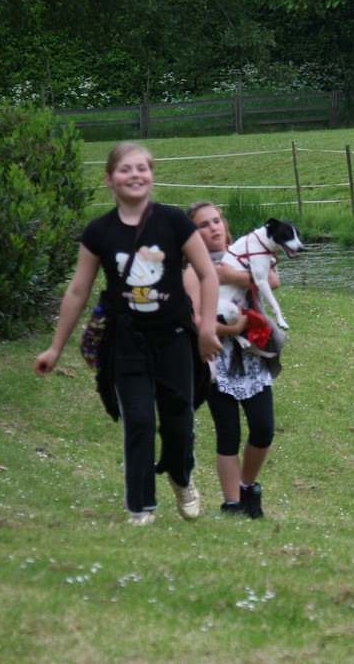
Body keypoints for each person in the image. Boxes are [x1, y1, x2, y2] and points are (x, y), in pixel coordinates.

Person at [34, 142, 222, 526]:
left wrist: (205, 329)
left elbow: (207, 274)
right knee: (138, 420)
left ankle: (181, 477)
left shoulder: (174, 221)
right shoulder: (99, 232)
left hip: (174, 336)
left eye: (141, 168)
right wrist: (55, 348)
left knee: (179, 422)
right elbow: (78, 291)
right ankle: (141, 506)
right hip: (126, 339)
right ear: (109, 179)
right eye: (125, 169)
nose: (134, 175)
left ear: (151, 175)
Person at [184, 201, 280, 519]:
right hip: (215, 359)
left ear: (224, 224)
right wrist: (233, 328)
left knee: (263, 429)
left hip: (252, 357)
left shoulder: (243, 253)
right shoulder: (192, 271)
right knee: (228, 432)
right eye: (203, 225)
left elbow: (273, 280)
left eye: (216, 221)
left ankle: (247, 486)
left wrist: (235, 276)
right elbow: (196, 319)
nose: (213, 228)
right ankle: (232, 503)